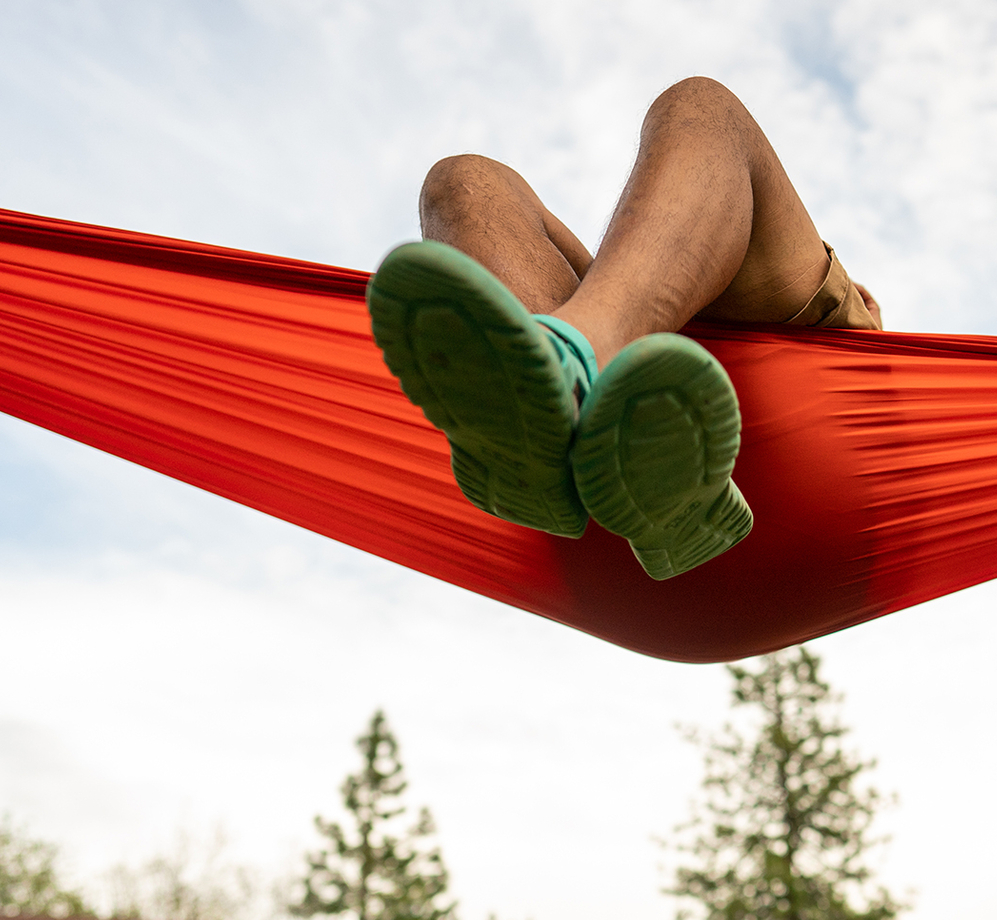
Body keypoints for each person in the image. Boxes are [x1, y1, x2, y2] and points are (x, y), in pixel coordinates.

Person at [367, 77, 882, 580]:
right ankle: (582, 418)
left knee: (703, 109)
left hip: (826, 418)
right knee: (462, 182)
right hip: (623, 482)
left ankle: (571, 380)